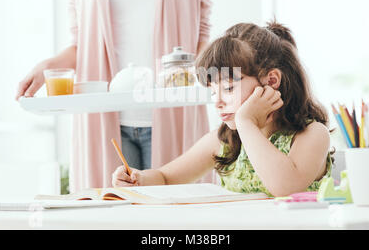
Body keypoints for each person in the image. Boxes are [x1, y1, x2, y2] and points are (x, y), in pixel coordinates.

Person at [16, 0, 213, 192]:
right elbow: (81, 43)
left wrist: (219, 78)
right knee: (112, 215)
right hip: (104, 116)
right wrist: (47, 66)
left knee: (173, 217)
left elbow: (202, 34)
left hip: (173, 112)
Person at [112, 21, 334, 197]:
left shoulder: (312, 134)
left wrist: (247, 122)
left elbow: (284, 188)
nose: (217, 102)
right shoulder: (225, 140)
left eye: (228, 88)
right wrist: (139, 179)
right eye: (212, 91)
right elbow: (166, 177)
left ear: (272, 80)